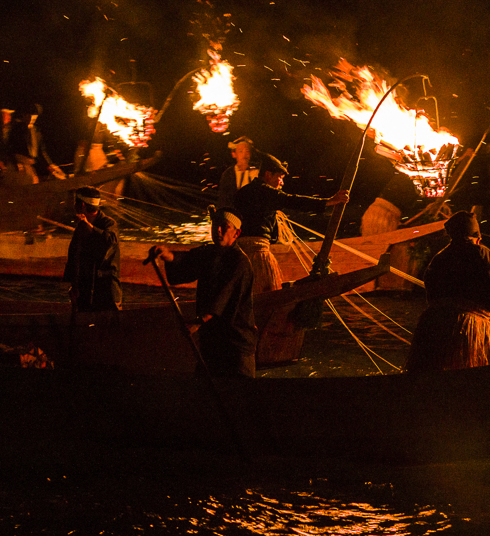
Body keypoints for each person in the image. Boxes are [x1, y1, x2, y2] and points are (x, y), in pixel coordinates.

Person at [233, 150, 349, 363]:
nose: (281, 182)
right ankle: (258, 349)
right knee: (266, 298)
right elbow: (292, 201)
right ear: (268, 175)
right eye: (279, 177)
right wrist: (329, 202)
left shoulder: (246, 192)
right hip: (256, 254)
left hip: (239, 252)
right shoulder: (262, 191)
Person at [147, 207, 258, 379]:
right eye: (215, 225)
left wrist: (198, 322)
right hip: (212, 342)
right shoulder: (208, 253)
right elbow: (186, 262)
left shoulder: (239, 262)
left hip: (235, 346)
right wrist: (168, 256)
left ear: (236, 233)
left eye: (224, 226)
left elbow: (222, 298)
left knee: (236, 395)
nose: (218, 230)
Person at [404, 210, 490, 372]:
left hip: (433, 325)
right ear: (478, 237)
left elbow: (431, 295)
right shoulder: (485, 256)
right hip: (473, 327)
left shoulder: (439, 258)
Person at [63, 186, 122, 312]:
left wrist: (89, 227)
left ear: (82, 205)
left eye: (75, 202)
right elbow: (75, 255)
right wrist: (73, 285)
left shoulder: (108, 223)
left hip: (105, 288)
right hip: (84, 287)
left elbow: (109, 241)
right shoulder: (81, 226)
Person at [4, 104, 67, 185]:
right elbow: (10, 148)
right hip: (16, 167)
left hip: (28, 166)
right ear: (24, 115)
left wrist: (51, 165)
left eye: (34, 116)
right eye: (29, 116)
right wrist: (17, 163)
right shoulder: (16, 129)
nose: (31, 118)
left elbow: (41, 152)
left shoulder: (36, 131)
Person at [217, 136, 258, 208]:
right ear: (234, 154)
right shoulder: (228, 174)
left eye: (247, 151)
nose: (244, 154)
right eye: (241, 151)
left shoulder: (256, 172)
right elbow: (223, 199)